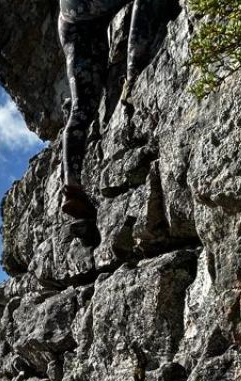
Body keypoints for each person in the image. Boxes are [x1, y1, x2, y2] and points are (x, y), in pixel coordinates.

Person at [58, 0, 153, 230]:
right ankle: (133, 75)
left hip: (72, 23)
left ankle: (72, 188)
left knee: (81, 108)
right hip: (85, 12)